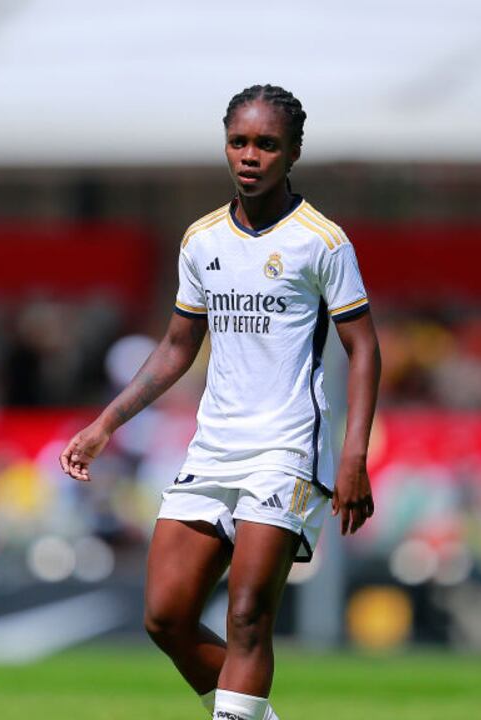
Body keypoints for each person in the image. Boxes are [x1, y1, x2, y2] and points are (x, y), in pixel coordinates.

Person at [60, 84, 381, 720]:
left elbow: (365, 349)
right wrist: (104, 425)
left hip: (286, 451)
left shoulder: (322, 241)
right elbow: (178, 347)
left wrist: (353, 456)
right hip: (213, 449)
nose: (250, 155)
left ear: (292, 153)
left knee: (246, 615)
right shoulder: (202, 240)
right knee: (165, 616)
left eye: (267, 144)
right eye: (239, 142)